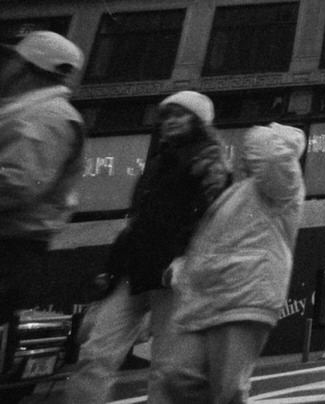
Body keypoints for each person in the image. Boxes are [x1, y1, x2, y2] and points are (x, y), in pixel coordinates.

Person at [68, 91, 231, 404]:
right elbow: (139, 221)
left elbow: (213, 219)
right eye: (167, 116)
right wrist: (113, 267)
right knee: (96, 353)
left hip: (173, 275)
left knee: (165, 366)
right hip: (136, 270)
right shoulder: (160, 161)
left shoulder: (210, 162)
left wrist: (187, 258)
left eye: (179, 115)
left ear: (199, 121)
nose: (170, 122)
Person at [152, 123, 306, 403]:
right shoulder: (234, 193)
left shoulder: (282, 187)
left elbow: (271, 158)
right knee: (176, 375)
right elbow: (211, 244)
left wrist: (261, 132)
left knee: (228, 389)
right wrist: (182, 270)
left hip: (246, 297)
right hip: (209, 299)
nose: (244, 158)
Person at [0, 31, 85, 317]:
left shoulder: (47, 117)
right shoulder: (32, 111)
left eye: (11, 59)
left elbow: (20, 183)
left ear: (26, 66)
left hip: (10, 247)